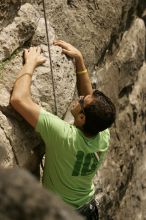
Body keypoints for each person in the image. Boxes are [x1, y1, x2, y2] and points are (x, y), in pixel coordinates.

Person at [10, 40, 116, 220]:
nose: (80, 97)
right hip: (87, 211)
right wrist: (79, 61)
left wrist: (30, 63)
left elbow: (19, 99)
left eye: (81, 102)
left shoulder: (63, 135)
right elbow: (88, 101)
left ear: (82, 118)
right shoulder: (102, 134)